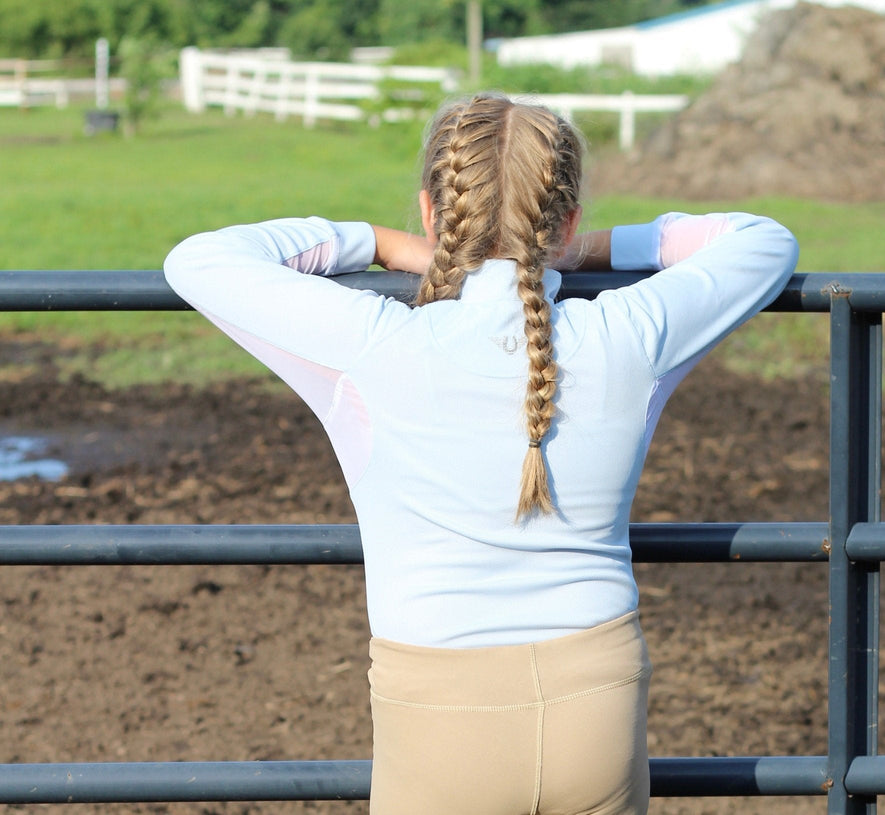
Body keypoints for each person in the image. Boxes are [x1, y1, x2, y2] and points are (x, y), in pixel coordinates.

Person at [164, 92, 798, 815]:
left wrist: (375, 242)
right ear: (566, 222)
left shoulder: (373, 343)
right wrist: (582, 251)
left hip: (437, 715)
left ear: (432, 214)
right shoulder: (628, 332)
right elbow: (762, 241)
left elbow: (199, 260)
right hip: (597, 698)